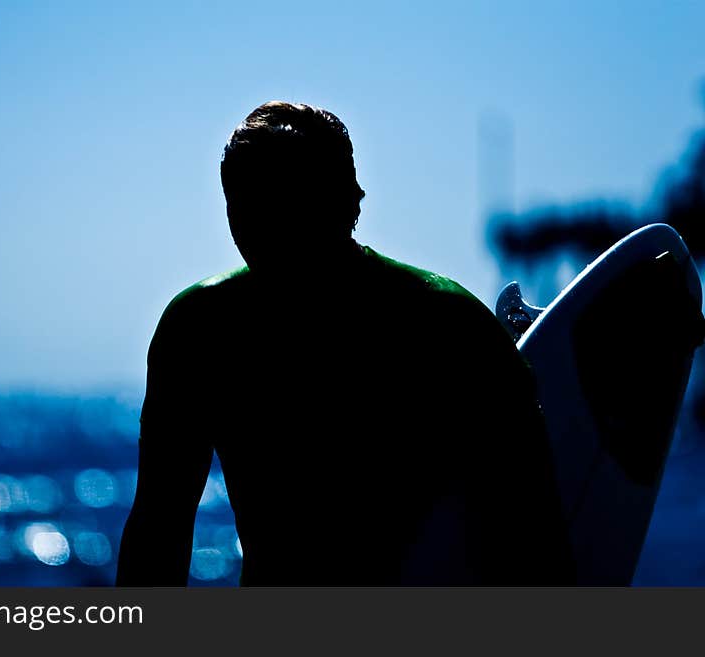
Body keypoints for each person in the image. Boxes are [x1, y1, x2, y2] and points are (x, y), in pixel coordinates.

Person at [115, 101, 575, 586]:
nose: (267, 229)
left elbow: (535, 536)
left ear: (349, 203)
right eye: (247, 206)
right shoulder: (200, 332)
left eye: (291, 204)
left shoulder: (448, 327)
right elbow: (157, 533)